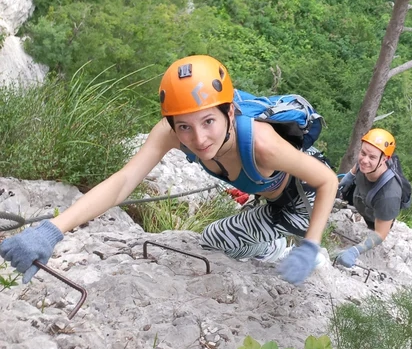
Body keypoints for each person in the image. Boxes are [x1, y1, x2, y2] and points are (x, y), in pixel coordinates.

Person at [0, 56, 339, 287]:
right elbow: (123, 182)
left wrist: (311, 245)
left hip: (303, 199)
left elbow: (327, 180)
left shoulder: (262, 144)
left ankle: (292, 246)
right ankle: (273, 244)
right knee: (214, 240)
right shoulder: (170, 133)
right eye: (184, 127)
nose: (199, 139)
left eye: (209, 121)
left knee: (288, 241)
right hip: (268, 197)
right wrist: (51, 231)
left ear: (230, 113)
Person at [334, 128, 402, 269]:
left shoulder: (389, 195)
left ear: (384, 159)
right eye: (363, 153)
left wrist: (355, 251)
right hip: (359, 196)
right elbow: (356, 167)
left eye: (372, 157)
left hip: (373, 213)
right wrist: (347, 179)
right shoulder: (365, 165)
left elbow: (381, 233)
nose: (364, 160)